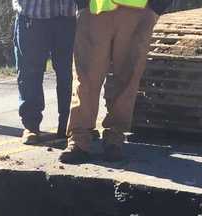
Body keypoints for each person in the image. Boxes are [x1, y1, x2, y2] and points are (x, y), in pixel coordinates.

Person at [60, 0, 172, 163]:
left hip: (138, 13)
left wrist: (155, 9)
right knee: (86, 77)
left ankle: (114, 139)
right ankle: (78, 140)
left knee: (127, 80)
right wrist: (82, 5)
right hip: (95, 10)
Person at [13, 0, 78, 142]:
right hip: (33, 14)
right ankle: (31, 126)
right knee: (29, 73)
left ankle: (68, 125)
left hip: (67, 15)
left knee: (69, 73)